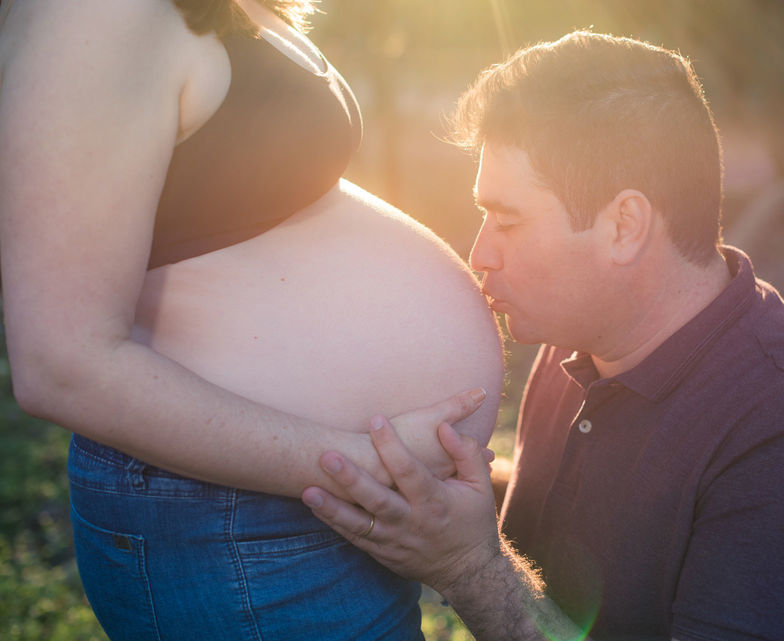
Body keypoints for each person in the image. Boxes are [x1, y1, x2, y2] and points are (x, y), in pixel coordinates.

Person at [302, 30, 784, 641]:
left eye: (508, 220)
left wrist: (467, 567)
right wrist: (431, 487)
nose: (480, 253)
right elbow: (600, 517)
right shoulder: (581, 340)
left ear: (624, 225)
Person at [0, 0, 502, 639]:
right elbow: (59, 364)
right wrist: (358, 470)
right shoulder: (97, 15)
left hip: (288, 509)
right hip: (237, 520)